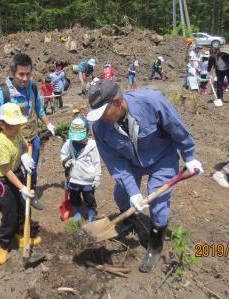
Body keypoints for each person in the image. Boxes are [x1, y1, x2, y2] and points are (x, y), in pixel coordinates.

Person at [86, 80, 204, 273]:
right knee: (122, 195)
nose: (101, 119)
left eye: (103, 113)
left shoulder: (151, 102)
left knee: (159, 201)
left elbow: (177, 128)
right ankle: (133, 220)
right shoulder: (100, 128)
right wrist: (133, 192)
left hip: (162, 158)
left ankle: (155, 247)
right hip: (130, 162)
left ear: (117, 102)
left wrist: (189, 156)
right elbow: (115, 162)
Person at [0, 53, 55, 209]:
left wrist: (48, 124)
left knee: (32, 169)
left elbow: (38, 108)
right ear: (12, 73)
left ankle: (31, 195)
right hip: (14, 143)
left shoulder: (32, 86)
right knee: (15, 171)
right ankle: (18, 198)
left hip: (33, 138)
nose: (25, 78)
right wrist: (15, 148)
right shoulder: (1, 94)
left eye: (28, 74)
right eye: (21, 74)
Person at [0, 103, 42, 265]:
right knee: (9, 214)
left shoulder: (17, 132)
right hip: (4, 181)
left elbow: (22, 146)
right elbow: (6, 171)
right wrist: (21, 187)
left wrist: (24, 157)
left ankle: (23, 236)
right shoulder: (1, 144)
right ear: (2, 124)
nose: (17, 128)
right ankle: (4, 245)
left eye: (18, 124)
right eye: (13, 125)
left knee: (22, 207)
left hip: (18, 173)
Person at [60, 116, 102, 223]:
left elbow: (97, 162)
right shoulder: (69, 143)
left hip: (88, 180)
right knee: (75, 199)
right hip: (74, 179)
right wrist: (65, 161)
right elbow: (63, 154)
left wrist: (97, 177)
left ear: (87, 132)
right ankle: (77, 216)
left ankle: (91, 217)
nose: (77, 140)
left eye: (80, 137)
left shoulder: (92, 146)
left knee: (89, 199)